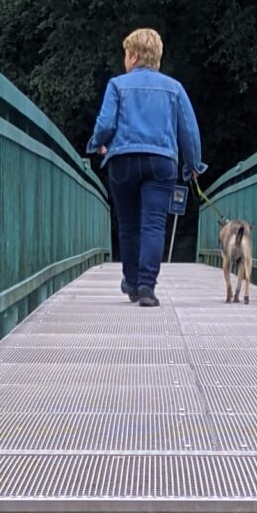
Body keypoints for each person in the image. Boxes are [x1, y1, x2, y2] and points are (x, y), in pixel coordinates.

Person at [86, 26, 203, 307]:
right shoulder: (174, 88)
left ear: (135, 56)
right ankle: (148, 288)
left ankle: (132, 283)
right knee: (153, 224)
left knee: (128, 225)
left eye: (126, 54)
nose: (124, 60)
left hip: (123, 159)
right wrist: (192, 165)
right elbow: (188, 130)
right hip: (161, 161)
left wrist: (97, 144)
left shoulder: (117, 85)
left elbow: (105, 125)